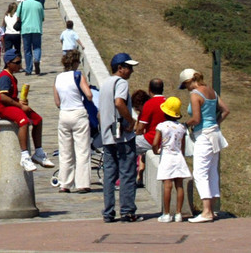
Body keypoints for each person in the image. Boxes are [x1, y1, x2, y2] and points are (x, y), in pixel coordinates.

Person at [180, 67, 229, 223]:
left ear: (189, 81)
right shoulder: (211, 91)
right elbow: (225, 110)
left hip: (204, 136)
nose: (186, 89)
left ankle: (206, 211)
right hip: (215, 133)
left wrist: (185, 125)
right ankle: (211, 209)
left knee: (200, 173)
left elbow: (196, 118)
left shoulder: (195, 94)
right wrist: (215, 123)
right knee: (212, 171)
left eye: (185, 85)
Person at [0, 51, 53, 171]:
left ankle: (38, 152)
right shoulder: (4, 77)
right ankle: (24, 156)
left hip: (11, 104)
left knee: (37, 119)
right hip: (1, 107)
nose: (19, 65)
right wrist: (20, 106)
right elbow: (3, 97)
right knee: (23, 121)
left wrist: (21, 102)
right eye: (17, 63)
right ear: (8, 63)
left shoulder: (12, 77)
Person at [99, 52, 140, 223]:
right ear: (120, 68)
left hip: (108, 136)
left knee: (109, 175)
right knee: (127, 173)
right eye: (129, 67)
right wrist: (130, 121)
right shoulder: (121, 83)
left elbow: (101, 111)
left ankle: (108, 212)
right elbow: (119, 102)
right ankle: (127, 210)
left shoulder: (106, 83)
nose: (131, 71)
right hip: (122, 136)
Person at [52, 49, 94, 192]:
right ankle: (82, 183)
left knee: (65, 151)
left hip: (64, 114)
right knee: (82, 150)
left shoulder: (58, 78)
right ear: (76, 62)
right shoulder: (77, 75)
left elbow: (57, 102)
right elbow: (88, 95)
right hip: (78, 113)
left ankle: (65, 183)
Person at [152, 95, 191, 223]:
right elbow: (183, 145)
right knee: (179, 185)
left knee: (167, 185)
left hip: (167, 156)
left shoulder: (161, 126)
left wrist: (156, 150)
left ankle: (167, 213)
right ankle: (179, 213)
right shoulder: (182, 128)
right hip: (178, 156)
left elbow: (155, 143)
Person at [134, 78, 167, 178]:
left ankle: (121, 178)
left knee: (125, 146)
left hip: (151, 139)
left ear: (150, 89)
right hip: (166, 140)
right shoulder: (167, 102)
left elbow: (140, 129)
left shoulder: (149, 104)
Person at [18, 0, 45, 75]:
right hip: (36, 28)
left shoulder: (22, 4)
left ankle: (29, 69)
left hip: (25, 29)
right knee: (37, 47)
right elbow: (42, 18)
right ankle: (36, 60)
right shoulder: (39, 4)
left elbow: (18, 17)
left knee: (27, 50)